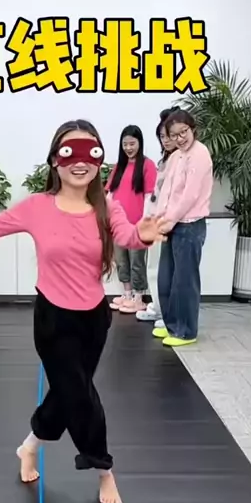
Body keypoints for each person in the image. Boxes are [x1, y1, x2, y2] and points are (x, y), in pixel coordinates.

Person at [0, 120, 168, 503]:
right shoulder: (37, 207)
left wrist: (143, 235)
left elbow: (127, 235)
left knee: (68, 393)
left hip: (94, 319)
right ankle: (104, 469)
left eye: (91, 153)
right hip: (54, 320)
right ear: (55, 160)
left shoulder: (107, 206)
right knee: (81, 396)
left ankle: (29, 445)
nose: (80, 162)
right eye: (70, 152)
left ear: (99, 160)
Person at [152, 110, 213, 347]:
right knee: (166, 278)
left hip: (189, 225)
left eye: (183, 132)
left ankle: (186, 331)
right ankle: (171, 325)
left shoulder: (200, 153)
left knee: (184, 281)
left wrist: (170, 220)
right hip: (171, 224)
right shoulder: (176, 156)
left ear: (192, 129)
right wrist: (160, 217)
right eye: (174, 135)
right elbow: (167, 190)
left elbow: (190, 195)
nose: (180, 138)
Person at [106, 125, 157, 314]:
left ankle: (138, 297)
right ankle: (127, 295)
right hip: (118, 223)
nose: (128, 147)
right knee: (121, 260)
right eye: (125, 144)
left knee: (137, 261)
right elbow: (110, 193)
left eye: (132, 143)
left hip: (137, 225)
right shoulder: (119, 166)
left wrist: (144, 219)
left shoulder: (147, 165)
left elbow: (149, 195)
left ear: (139, 143)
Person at [136, 108, 179, 323]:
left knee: (166, 270)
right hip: (155, 221)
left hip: (168, 223)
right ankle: (158, 305)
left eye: (169, 135)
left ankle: (167, 311)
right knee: (154, 267)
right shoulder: (164, 160)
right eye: (162, 136)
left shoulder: (181, 160)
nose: (166, 140)